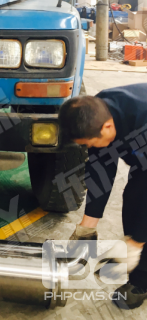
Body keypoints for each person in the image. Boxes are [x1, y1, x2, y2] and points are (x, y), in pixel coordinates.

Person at [58, 82, 147, 310]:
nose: (89, 147)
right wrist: (87, 226)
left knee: (141, 206)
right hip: (142, 154)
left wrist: (136, 242)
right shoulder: (95, 112)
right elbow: (100, 170)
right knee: (133, 200)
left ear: (107, 127)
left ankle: (141, 281)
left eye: (89, 144)